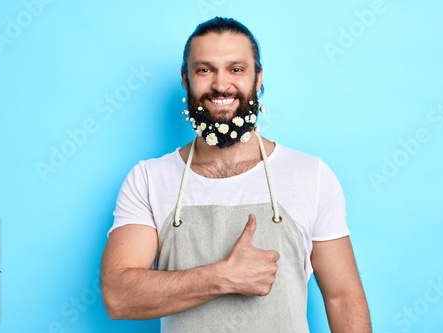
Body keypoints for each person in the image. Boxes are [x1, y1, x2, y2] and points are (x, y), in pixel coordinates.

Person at [101, 17, 371, 332]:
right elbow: (119, 297)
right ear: (186, 80)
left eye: (236, 69)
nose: (220, 85)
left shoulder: (311, 174)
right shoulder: (148, 179)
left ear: (258, 79)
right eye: (204, 70)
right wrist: (223, 277)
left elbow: (342, 296)